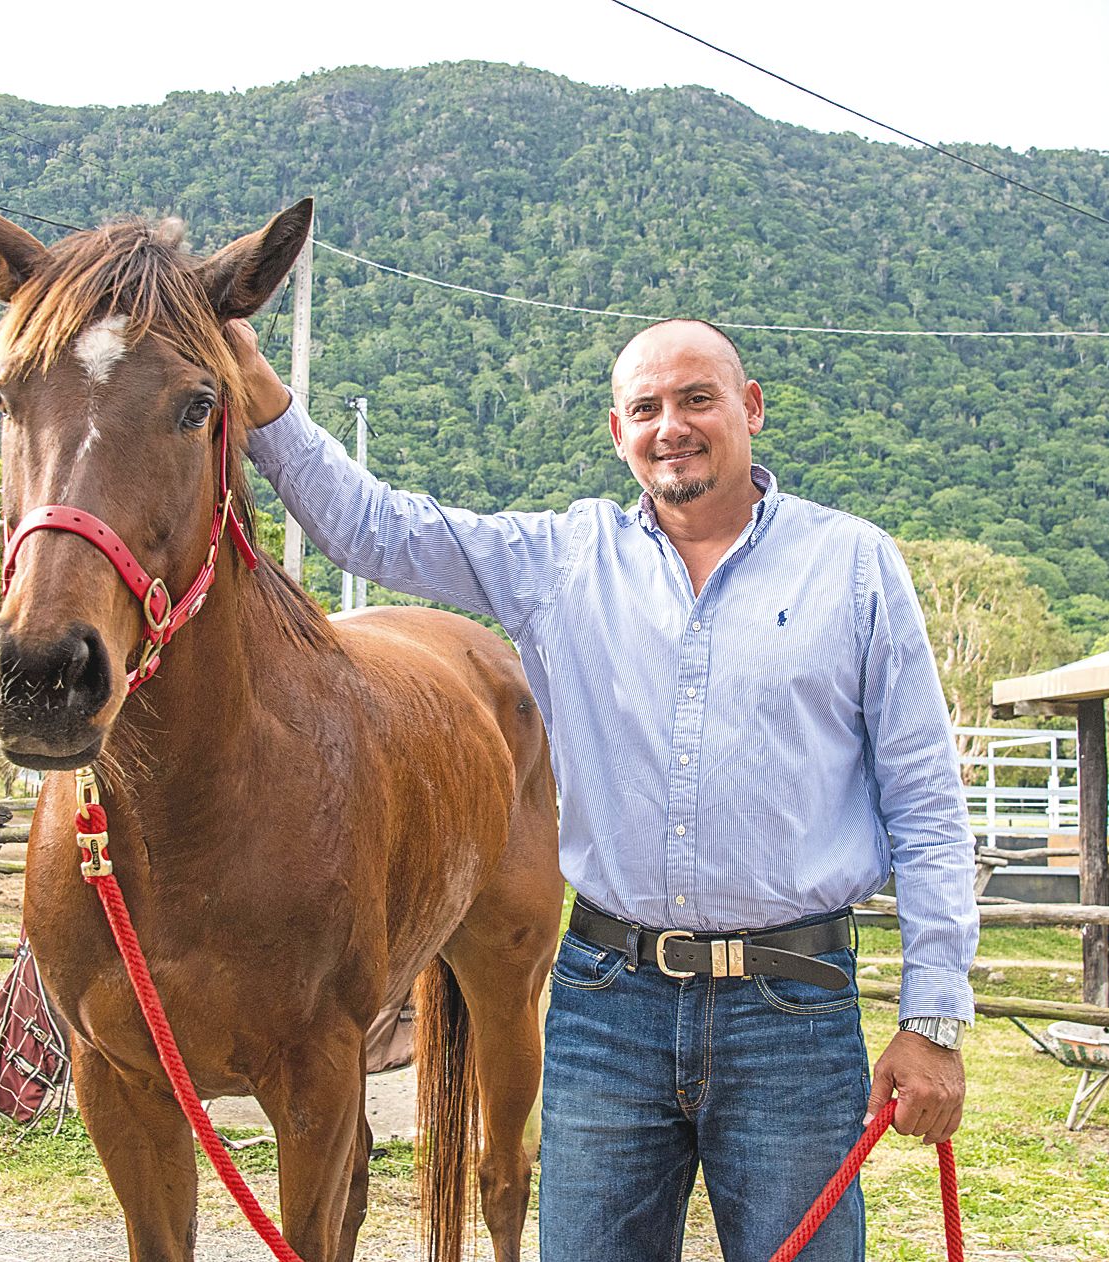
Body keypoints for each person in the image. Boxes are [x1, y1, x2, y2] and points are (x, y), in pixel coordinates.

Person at [230, 316, 978, 1262]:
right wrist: (263, 399)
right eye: (646, 408)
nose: (673, 425)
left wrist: (933, 1020)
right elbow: (373, 526)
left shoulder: (857, 566)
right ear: (617, 431)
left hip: (791, 1012)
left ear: (750, 407)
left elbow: (926, 806)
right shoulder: (561, 562)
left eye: (698, 398)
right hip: (607, 1004)